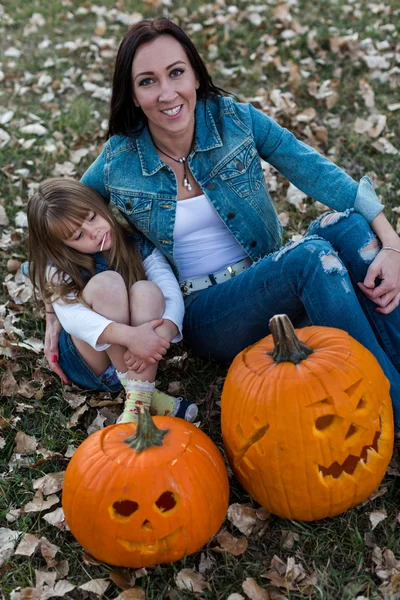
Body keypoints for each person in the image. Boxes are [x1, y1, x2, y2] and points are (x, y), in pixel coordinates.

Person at [46, 18, 400, 432]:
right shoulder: (119, 160)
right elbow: (62, 224)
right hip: (206, 313)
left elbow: (315, 170)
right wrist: (54, 305)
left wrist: (392, 244)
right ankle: (390, 405)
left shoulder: (234, 120)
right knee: (311, 258)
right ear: (133, 96)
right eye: (147, 81)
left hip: (268, 275)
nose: (167, 93)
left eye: (176, 73)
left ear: (195, 74)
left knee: (349, 228)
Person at [27, 178, 198, 422]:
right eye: (78, 235)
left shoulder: (136, 243)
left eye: (92, 217)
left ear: (100, 204)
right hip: (91, 363)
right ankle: (143, 395)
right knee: (107, 283)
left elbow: (169, 290)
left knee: (147, 290)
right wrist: (131, 337)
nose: (94, 232)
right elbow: (74, 318)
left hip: (140, 353)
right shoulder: (58, 267)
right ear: (61, 245)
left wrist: (159, 335)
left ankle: (139, 398)